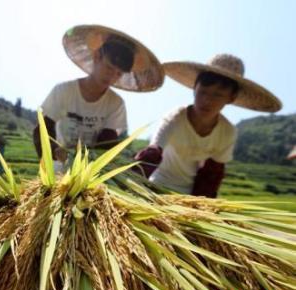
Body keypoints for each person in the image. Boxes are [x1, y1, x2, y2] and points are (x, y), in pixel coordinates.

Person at [135, 54, 282, 197]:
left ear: (231, 98)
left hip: (190, 197)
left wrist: (202, 205)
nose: (207, 100)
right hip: (155, 187)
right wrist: (132, 186)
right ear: (194, 88)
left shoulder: (227, 132)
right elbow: (151, 154)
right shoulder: (175, 118)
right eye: (203, 92)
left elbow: (213, 174)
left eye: (218, 95)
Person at [33, 25, 164, 169]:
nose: (112, 76)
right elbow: (42, 130)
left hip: (90, 173)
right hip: (58, 170)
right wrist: (53, 151)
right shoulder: (64, 91)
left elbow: (106, 145)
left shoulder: (116, 104)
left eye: (119, 73)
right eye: (109, 68)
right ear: (96, 57)